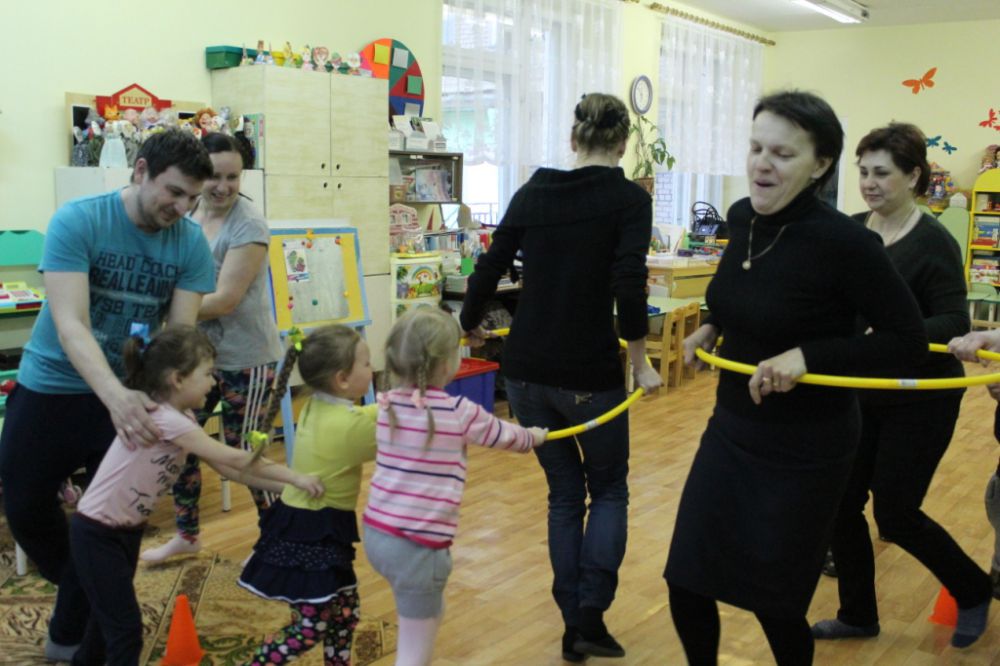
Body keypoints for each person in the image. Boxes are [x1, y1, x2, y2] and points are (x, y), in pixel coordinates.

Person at [665, 91, 928, 666]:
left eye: (783, 154)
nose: (762, 163)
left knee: (776, 601)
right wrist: (710, 326)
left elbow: (907, 344)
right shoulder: (741, 218)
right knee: (687, 578)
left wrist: (809, 357)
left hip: (807, 447)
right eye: (756, 148)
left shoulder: (847, 244)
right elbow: (740, 293)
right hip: (732, 428)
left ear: (820, 164)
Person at [459, 92, 662, 662]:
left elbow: (489, 266)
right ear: (622, 144)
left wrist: (468, 324)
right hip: (588, 373)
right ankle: (589, 617)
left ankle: (574, 622)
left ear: (574, 139)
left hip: (525, 374)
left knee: (565, 494)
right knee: (610, 488)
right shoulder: (629, 199)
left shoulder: (534, 190)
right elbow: (629, 285)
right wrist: (641, 364)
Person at [0, 129, 216, 661]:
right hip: (52, 386)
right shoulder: (79, 220)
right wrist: (114, 395)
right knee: (24, 507)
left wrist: (167, 405)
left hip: (131, 399)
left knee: (117, 530)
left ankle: (77, 640)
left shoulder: (190, 242)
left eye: (192, 198)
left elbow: (177, 339)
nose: (182, 208)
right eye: (173, 191)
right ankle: (81, 596)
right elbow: (71, 324)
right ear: (140, 171)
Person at [811, 122, 991, 648]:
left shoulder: (933, 242)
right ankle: (857, 615)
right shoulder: (851, 232)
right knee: (841, 503)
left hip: (921, 396)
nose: (868, 183)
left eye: (881, 173)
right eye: (863, 172)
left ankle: (973, 589)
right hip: (862, 389)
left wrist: (889, 333)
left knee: (895, 513)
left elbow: (954, 320)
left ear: (913, 176)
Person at [67, 326, 323, 666]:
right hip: (97, 533)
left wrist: (291, 490)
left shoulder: (182, 418)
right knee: (125, 631)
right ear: (177, 379)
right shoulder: (168, 420)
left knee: (106, 621)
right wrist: (296, 478)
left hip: (122, 531)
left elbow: (230, 469)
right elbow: (236, 458)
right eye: (207, 374)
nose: (214, 382)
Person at [362, 307, 547, 666]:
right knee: (414, 652)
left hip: (378, 535)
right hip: (418, 547)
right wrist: (534, 436)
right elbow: (506, 436)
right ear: (449, 364)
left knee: (425, 609)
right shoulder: (459, 411)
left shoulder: (386, 404)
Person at [141, 132, 284, 564]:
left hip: (246, 359)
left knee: (244, 455)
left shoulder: (249, 225)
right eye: (215, 176)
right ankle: (187, 534)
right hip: (195, 359)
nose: (223, 186)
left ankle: (278, 543)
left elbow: (225, 300)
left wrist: (163, 306)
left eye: (233, 177)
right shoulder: (189, 212)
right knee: (180, 441)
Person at [239, 325, 377, 665]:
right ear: (342, 379)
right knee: (311, 627)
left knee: (344, 613)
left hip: (312, 525)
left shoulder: (317, 405)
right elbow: (391, 422)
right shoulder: (348, 425)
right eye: (366, 363)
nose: (372, 368)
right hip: (313, 532)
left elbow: (372, 414)